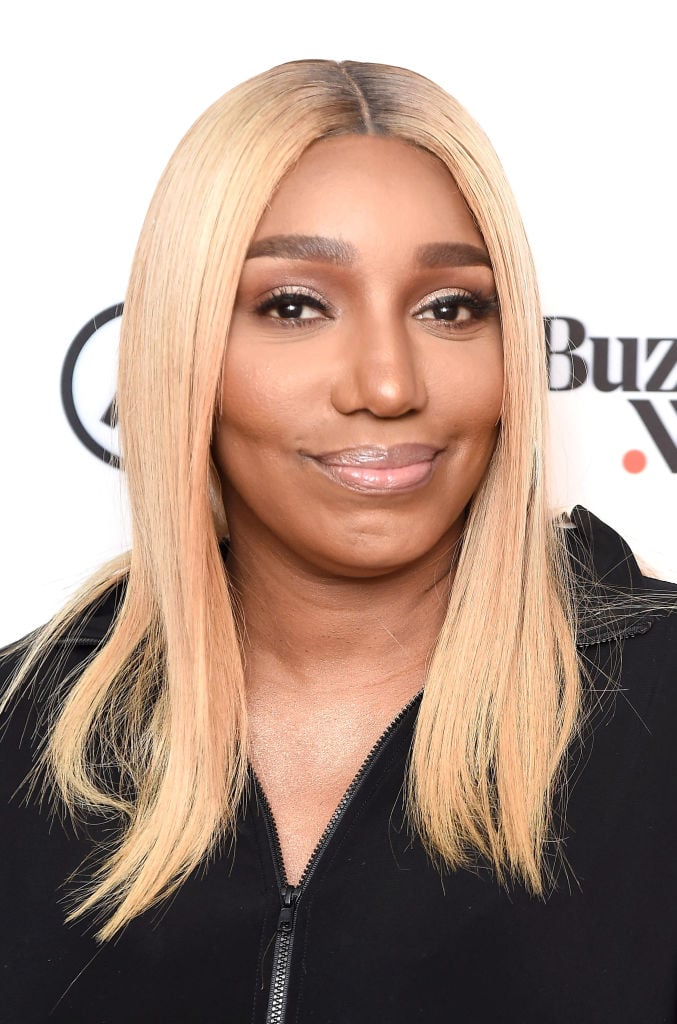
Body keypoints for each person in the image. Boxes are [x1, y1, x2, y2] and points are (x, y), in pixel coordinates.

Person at [1, 58, 676, 1024]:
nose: (388, 384)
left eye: (450, 308)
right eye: (294, 306)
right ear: (182, 348)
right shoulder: (19, 729)